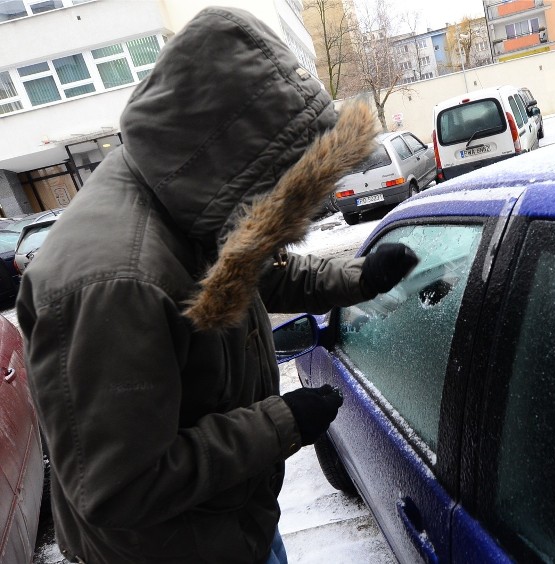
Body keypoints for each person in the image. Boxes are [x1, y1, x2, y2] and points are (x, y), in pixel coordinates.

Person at [16, 7, 418, 564]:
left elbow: (241, 272)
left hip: (227, 521)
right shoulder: (111, 285)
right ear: (232, 153)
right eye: (284, 172)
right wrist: (280, 423)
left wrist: (355, 278)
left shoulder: (181, 193)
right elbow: (120, 485)